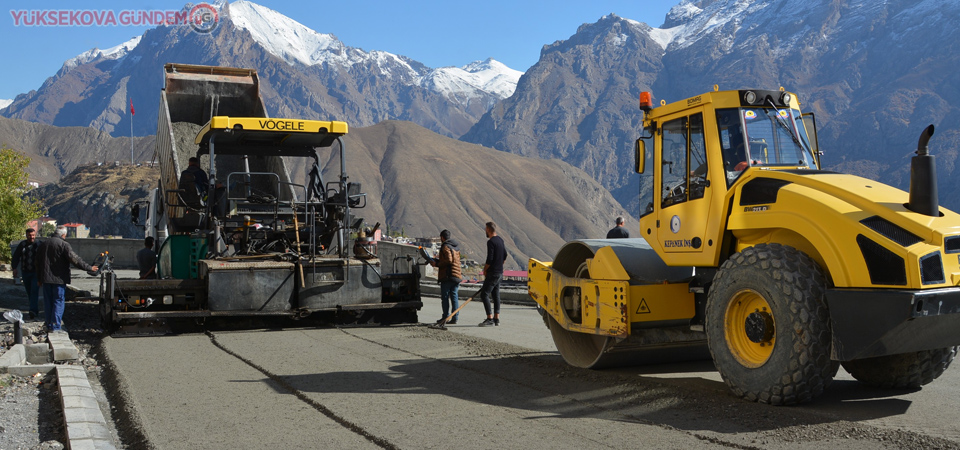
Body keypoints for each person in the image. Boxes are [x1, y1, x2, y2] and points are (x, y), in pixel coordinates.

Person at [35, 226, 97, 332]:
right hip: (59, 279)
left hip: (45, 279)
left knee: (48, 302)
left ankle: (49, 324)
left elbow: (37, 262)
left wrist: (39, 278)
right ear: (63, 235)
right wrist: (89, 268)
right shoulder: (64, 245)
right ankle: (55, 326)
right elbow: (75, 260)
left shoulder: (43, 244)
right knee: (58, 301)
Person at [429, 230, 462, 325]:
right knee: (454, 297)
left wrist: (437, 264)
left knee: (445, 297)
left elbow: (449, 260)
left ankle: (445, 317)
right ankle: (455, 317)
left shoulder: (445, 246)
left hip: (448, 276)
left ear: (442, 237)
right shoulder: (456, 247)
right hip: (456, 275)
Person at [479, 222, 506, 327]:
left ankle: (489, 318)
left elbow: (489, 258)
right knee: (496, 295)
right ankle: (496, 318)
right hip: (500, 272)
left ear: (489, 230)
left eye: (486, 229)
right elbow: (505, 255)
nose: (485, 231)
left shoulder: (491, 242)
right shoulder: (500, 240)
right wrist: (500, 264)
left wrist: (485, 270)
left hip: (493, 273)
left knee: (484, 294)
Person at [11, 228, 41, 320]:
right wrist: (14, 268)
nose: (31, 237)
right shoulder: (22, 245)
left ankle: (33, 310)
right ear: (26, 235)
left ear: (35, 235)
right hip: (25, 272)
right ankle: (33, 308)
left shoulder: (39, 244)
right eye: (29, 235)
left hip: (36, 273)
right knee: (29, 292)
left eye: (32, 235)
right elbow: (16, 256)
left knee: (34, 291)